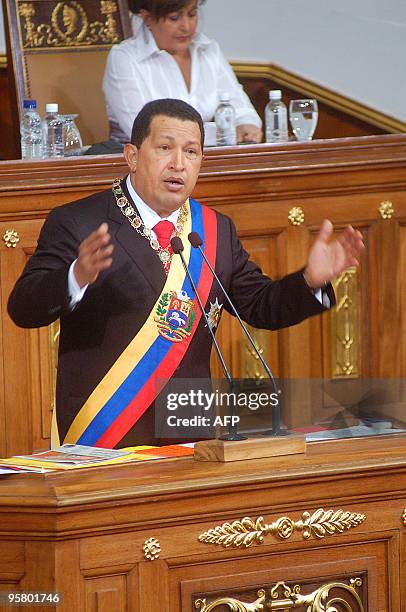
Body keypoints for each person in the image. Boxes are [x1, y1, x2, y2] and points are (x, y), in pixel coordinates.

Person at [7, 99, 364, 450]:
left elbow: (260, 306)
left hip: (188, 427)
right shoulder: (78, 221)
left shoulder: (214, 230)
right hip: (105, 427)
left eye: (191, 152)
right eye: (165, 147)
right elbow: (23, 307)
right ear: (132, 156)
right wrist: (76, 276)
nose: (178, 164)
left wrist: (310, 281)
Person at [103, 0, 262, 145]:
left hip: (206, 158)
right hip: (144, 166)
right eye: (174, 18)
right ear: (147, 18)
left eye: (192, 14)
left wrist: (247, 125)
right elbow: (146, 132)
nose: (187, 26)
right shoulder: (125, 58)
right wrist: (224, 132)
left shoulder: (208, 50)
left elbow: (240, 107)